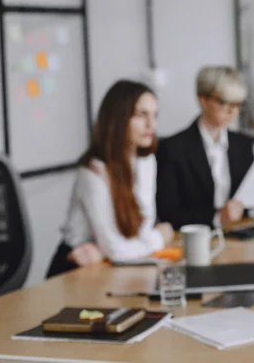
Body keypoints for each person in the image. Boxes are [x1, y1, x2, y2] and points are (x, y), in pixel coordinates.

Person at [46, 80, 174, 278]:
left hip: (113, 266)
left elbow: (142, 229)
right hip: (76, 269)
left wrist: (109, 250)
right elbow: (116, 250)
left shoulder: (146, 161)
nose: (151, 125)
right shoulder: (93, 171)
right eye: (141, 115)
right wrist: (161, 237)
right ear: (119, 118)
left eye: (154, 115)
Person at [156, 66, 254, 230]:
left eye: (238, 104)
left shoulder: (243, 145)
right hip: (195, 241)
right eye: (224, 102)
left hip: (240, 237)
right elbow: (168, 212)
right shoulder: (173, 148)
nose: (232, 111)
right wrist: (217, 218)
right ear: (203, 100)